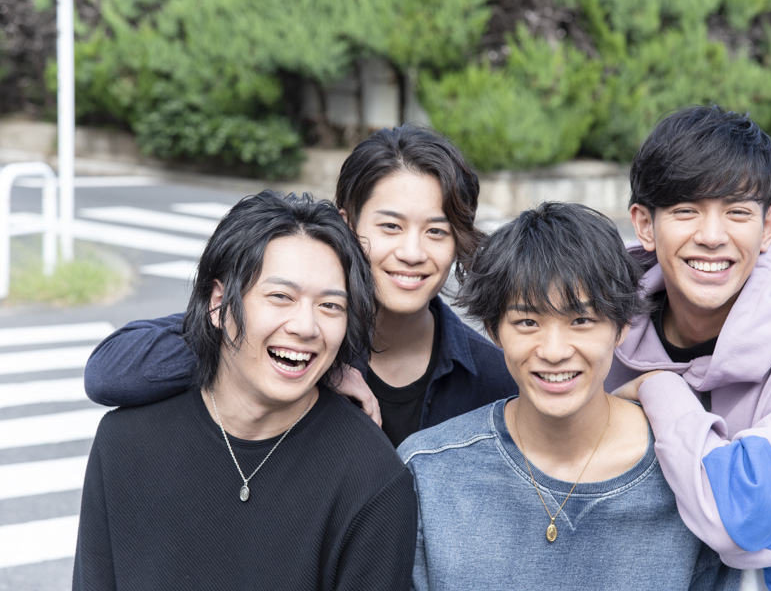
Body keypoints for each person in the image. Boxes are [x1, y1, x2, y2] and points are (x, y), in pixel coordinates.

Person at [82, 126, 516, 446]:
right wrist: (306, 361)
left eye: (436, 232)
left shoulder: (495, 377)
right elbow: (109, 373)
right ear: (347, 225)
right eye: (390, 226)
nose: (412, 252)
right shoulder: (296, 334)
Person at [73, 190, 417, 589]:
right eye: (280, 297)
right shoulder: (126, 441)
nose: (306, 327)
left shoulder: (373, 480)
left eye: (330, 306)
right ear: (218, 303)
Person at [398, 202, 739, 590]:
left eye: (581, 320)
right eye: (528, 322)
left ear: (622, 326)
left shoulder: (689, 475)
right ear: (494, 331)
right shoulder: (430, 470)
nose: (554, 351)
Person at [610, 105, 771, 590]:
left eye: (737, 212)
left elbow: (742, 518)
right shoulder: (598, 329)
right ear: (645, 224)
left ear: (769, 225)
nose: (712, 237)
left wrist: (657, 388)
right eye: (686, 210)